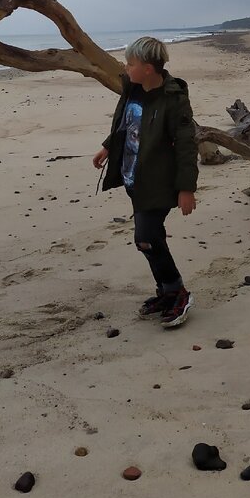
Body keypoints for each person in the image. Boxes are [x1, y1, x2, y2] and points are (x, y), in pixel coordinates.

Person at [93, 37, 198, 328]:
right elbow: (124, 124)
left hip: (159, 182)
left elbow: (187, 143)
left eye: (130, 64)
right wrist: (108, 147)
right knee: (146, 240)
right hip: (134, 178)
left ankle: (178, 293)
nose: (126, 68)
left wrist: (187, 188)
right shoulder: (132, 90)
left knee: (147, 237)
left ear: (148, 69)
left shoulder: (173, 98)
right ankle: (166, 291)